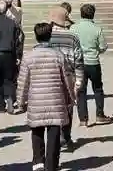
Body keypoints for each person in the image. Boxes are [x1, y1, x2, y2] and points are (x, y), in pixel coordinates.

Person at [17, 22, 75, 171]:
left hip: (36, 100)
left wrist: (20, 101)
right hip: (55, 99)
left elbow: (23, 81)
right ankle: (51, 164)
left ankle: (38, 162)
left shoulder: (28, 56)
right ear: (50, 36)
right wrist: (71, 97)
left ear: (36, 36)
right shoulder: (58, 55)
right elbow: (67, 79)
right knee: (54, 132)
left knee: (36, 130)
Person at [49, 6, 84, 148]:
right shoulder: (72, 36)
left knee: (54, 105)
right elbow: (79, 60)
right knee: (68, 105)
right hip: (68, 74)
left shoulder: (47, 36)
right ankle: (66, 136)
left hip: (51, 74)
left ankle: (55, 135)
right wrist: (79, 80)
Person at [71, 3, 110, 126]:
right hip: (93, 62)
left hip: (78, 62)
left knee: (81, 91)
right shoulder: (97, 29)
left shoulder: (73, 28)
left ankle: (83, 119)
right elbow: (103, 46)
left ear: (81, 14)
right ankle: (99, 115)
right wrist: (97, 51)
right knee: (97, 89)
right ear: (93, 14)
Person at [0, 0, 22, 114]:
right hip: (9, 53)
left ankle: (1, 106)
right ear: (6, 9)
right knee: (9, 79)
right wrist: (17, 55)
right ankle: (10, 98)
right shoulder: (12, 23)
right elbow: (17, 41)